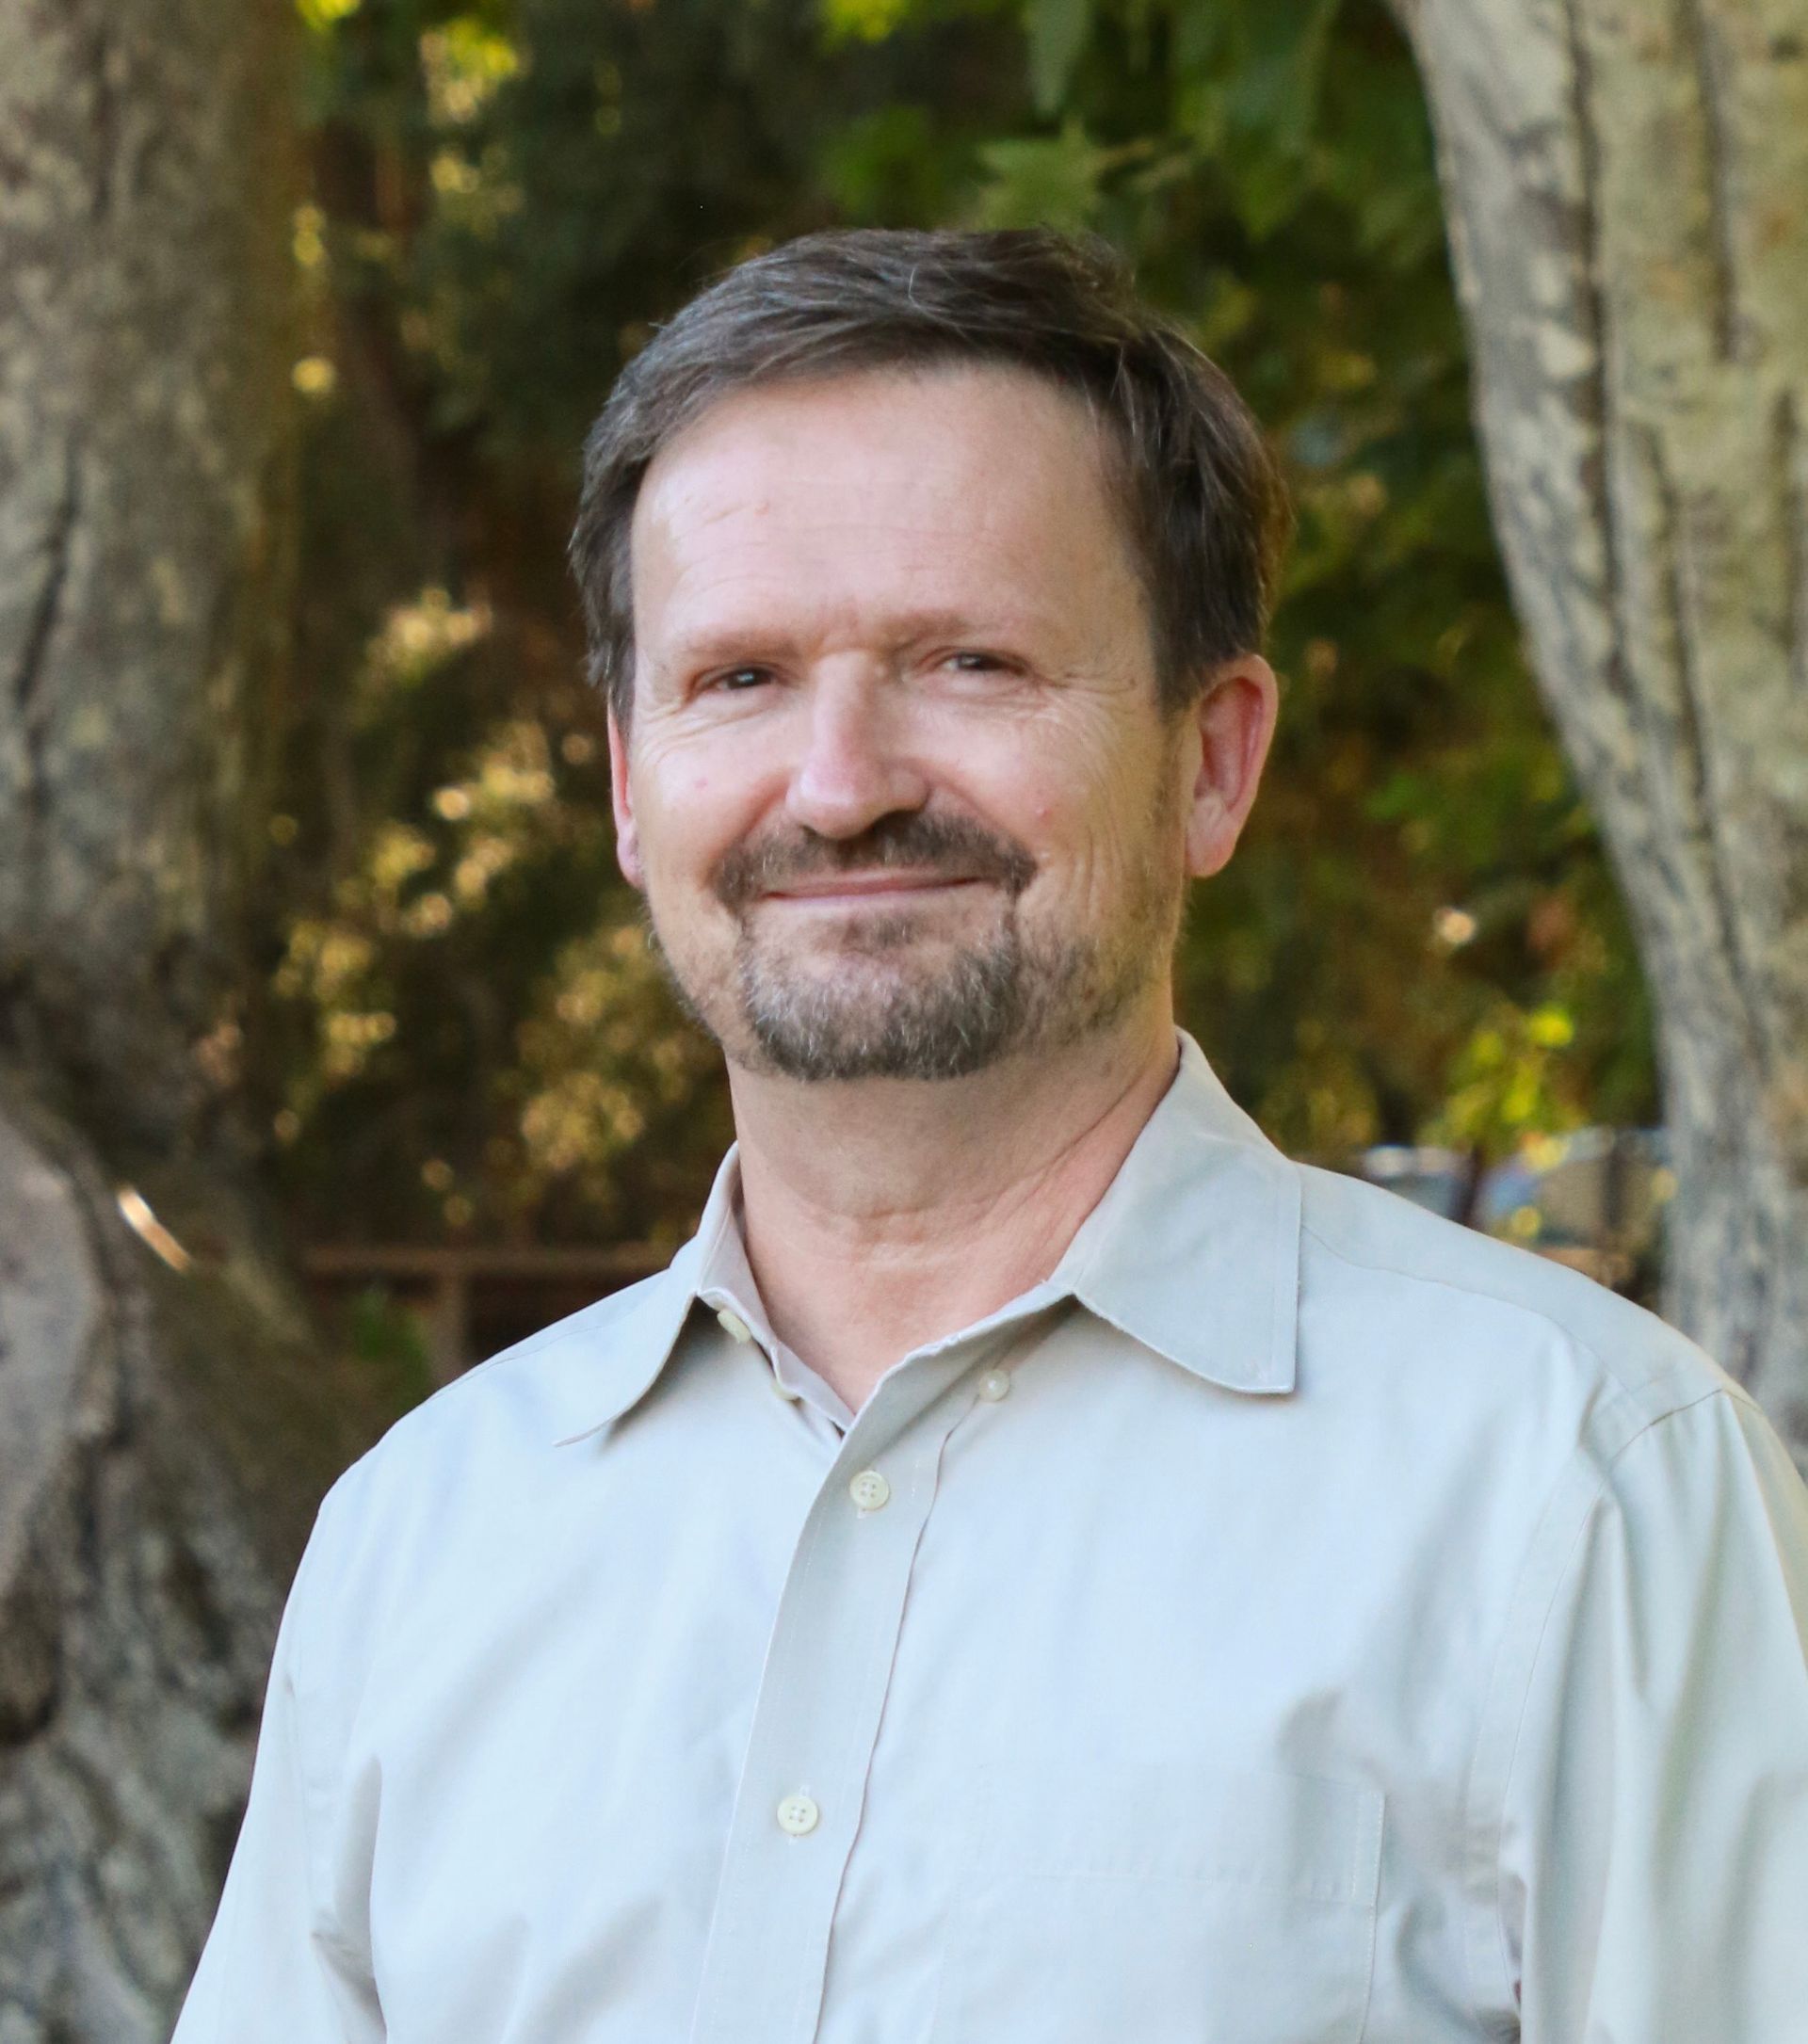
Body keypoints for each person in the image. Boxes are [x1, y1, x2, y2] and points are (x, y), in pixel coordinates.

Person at [172, 229, 1808, 2044]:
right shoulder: (426, 1538)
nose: (845, 781)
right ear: (632, 786)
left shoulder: (1578, 1490)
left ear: (1213, 759)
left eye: (967, 659)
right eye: (738, 680)